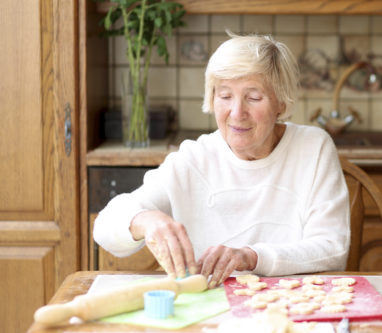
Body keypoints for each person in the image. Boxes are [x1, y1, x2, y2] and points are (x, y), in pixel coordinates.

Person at [93, 33, 350, 288]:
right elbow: (104, 229)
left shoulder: (313, 148)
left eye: (253, 98)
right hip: (213, 310)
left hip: (293, 306)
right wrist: (145, 220)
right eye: (225, 96)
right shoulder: (193, 159)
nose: (237, 113)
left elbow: (332, 248)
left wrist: (250, 257)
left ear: (280, 102)